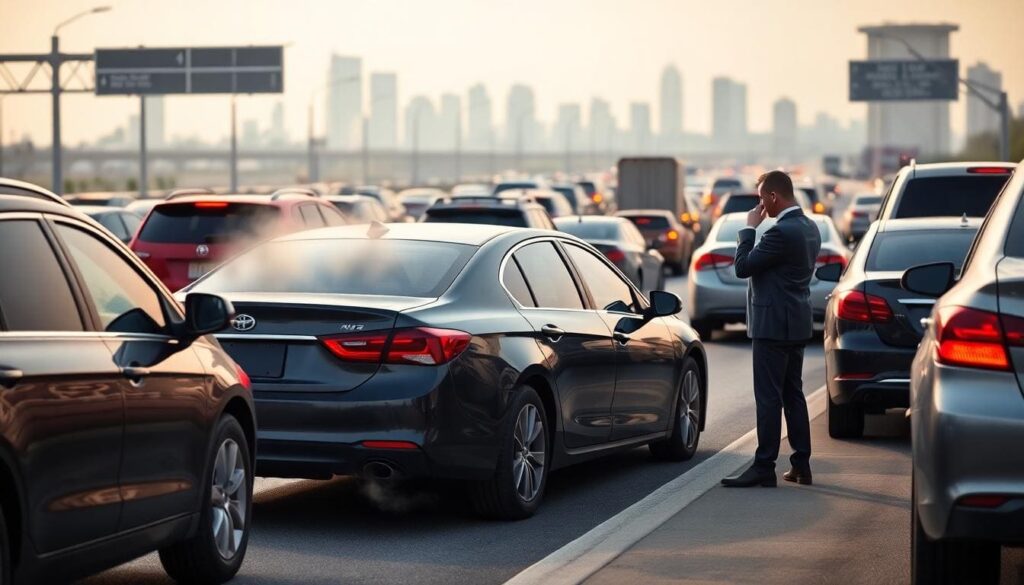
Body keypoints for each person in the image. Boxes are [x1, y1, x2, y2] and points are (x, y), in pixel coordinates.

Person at [721, 170, 821, 488]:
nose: (760, 205)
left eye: (761, 198)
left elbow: (742, 267)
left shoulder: (780, 232)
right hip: (797, 322)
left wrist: (749, 229)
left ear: (773, 197)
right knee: (793, 394)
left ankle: (764, 467)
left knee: (768, 398)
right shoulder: (810, 227)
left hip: (772, 325)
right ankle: (801, 465)